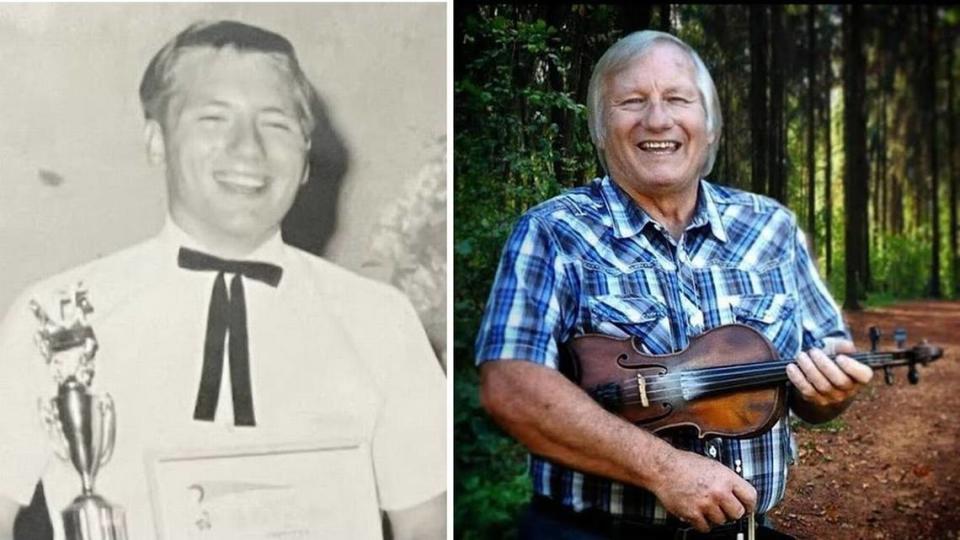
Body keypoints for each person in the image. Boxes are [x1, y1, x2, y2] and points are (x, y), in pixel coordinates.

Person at [0, 20, 445, 540]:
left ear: (305, 157)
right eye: (213, 119)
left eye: (276, 124)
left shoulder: (380, 320)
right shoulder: (56, 316)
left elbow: (426, 521)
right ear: (157, 141)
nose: (247, 150)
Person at [474, 30, 873, 539]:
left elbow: (818, 390)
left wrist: (830, 392)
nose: (657, 120)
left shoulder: (770, 226)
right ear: (600, 127)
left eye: (677, 99)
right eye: (632, 102)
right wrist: (665, 469)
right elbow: (510, 386)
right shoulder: (553, 231)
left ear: (707, 125)